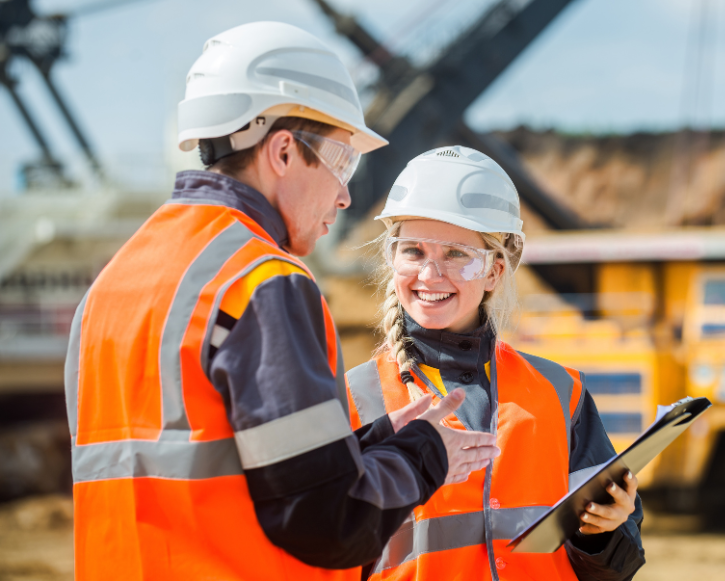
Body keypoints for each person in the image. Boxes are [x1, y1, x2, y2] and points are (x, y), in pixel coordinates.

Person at [63, 24, 499, 581]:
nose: (345, 194)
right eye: (342, 161)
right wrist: (424, 453)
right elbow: (329, 520)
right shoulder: (262, 282)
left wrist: (372, 441)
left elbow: (217, 468)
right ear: (285, 151)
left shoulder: (113, 285)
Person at [345, 145, 646, 581]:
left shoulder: (561, 394)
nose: (430, 275)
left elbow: (612, 566)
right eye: (413, 251)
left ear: (495, 272)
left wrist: (604, 532)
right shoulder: (354, 399)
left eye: (455, 254)